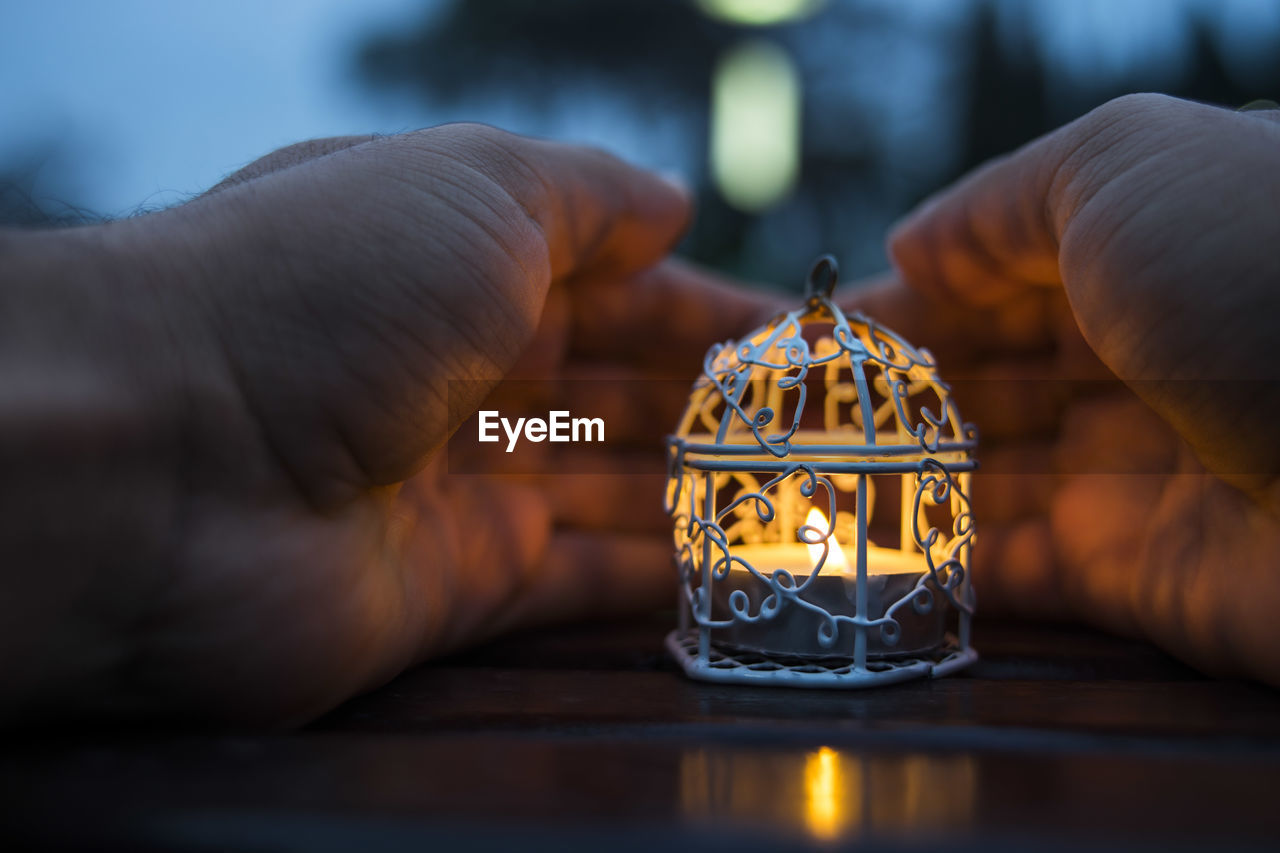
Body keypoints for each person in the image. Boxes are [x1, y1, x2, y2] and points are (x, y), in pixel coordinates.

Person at [0, 93, 1275, 726]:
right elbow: (518, 434)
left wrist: (188, 387)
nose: (825, 524)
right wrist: (205, 382)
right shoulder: (525, 429)